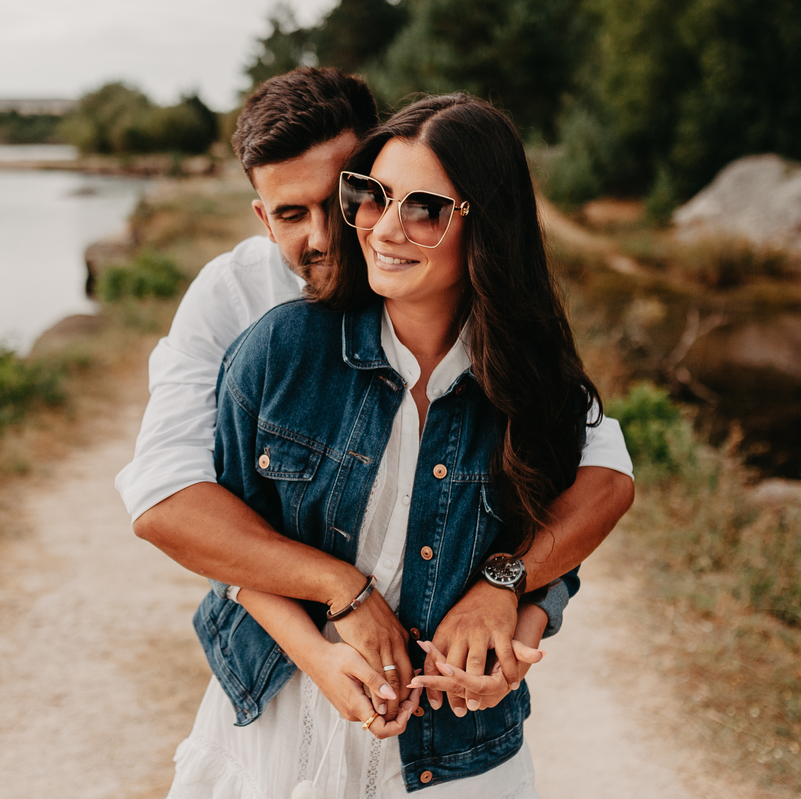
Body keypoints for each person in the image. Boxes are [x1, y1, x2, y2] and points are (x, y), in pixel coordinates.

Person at [115, 67, 633, 724]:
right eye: (290, 214)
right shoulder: (246, 311)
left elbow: (586, 478)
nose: (331, 236)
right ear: (261, 215)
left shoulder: (484, 331)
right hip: (282, 684)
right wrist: (342, 592)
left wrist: (515, 598)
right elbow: (173, 502)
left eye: (342, 200)